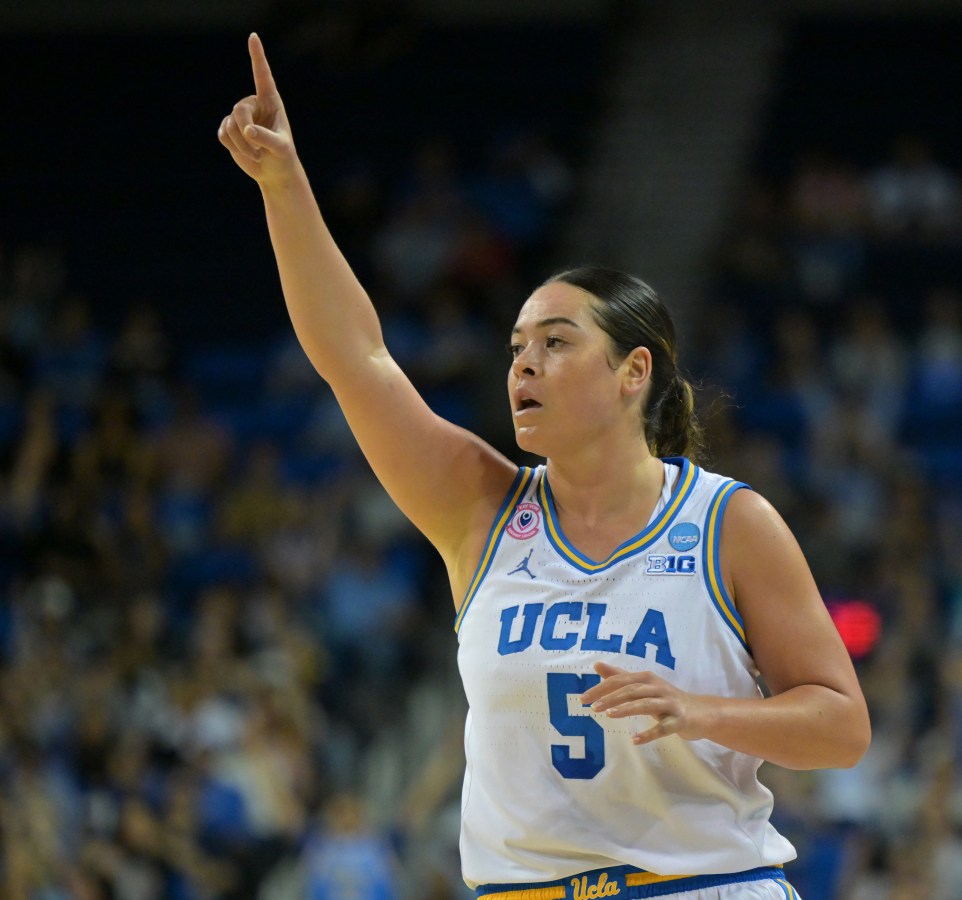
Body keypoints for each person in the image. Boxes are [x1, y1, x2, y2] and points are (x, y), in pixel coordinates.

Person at [218, 32, 870, 900]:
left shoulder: (727, 523)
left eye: (557, 343)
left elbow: (842, 725)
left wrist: (705, 713)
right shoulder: (480, 510)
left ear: (634, 373)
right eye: (518, 345)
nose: (523, 363)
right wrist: (285, 186)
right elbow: (357, 358)